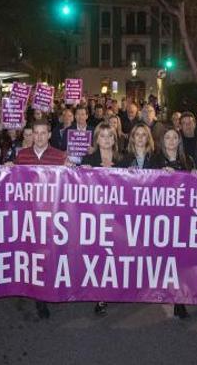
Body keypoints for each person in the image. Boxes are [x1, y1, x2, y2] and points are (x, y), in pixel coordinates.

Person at [12, 120, 68, 319]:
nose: (39, 136)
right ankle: (40, 297)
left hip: (53, 216)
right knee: (35, 256)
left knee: (52, 254)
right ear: (31, 135)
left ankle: (53, 289)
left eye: (43, 133)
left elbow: (72, 182)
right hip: (29, 215)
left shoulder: (60, 156)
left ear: (49, 135)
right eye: (36, 133)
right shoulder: (22, 155)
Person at [148, 127, 194, 318]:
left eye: (175, 137)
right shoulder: (155, 159)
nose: (172, 140)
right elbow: (146, 185)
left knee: (179, 260)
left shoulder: (188, 160)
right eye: (168, 137)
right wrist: (160, 175)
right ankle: (161, 289)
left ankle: (178, 299)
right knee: (163, 259)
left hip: (182, 216)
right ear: (162, 140)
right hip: (161, 216)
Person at [79, 123, 122, 316]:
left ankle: (113, 289)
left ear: (114, 139)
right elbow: (77, 188)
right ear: (96, 139)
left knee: (114, 256)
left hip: (118, 217)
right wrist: (82, 172)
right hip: (95, 218)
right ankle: (100, 294)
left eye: (109, 136)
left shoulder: (123, 160)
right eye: (102, 136)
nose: (106, 140)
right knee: (98, 256)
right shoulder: (88, 159)